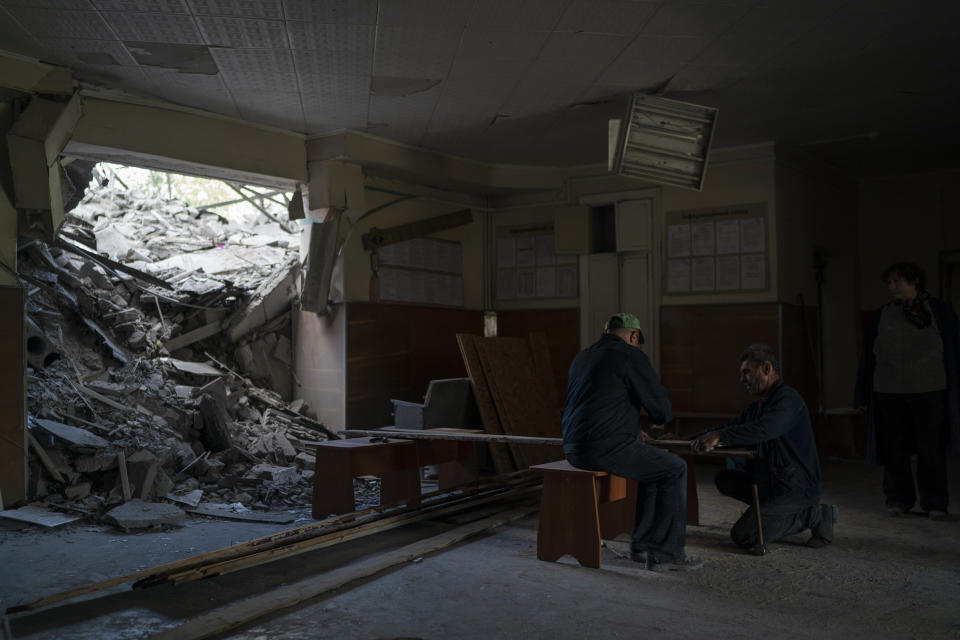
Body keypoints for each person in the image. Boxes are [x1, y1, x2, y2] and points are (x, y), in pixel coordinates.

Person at [562, 312, 702, 571]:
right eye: (637, 340)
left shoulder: (583, 357)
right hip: (604, 447)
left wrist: (631, 428)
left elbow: (598, 404)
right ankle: (666, 555)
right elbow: (661, 411)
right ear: (633, 335)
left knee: (652, 469)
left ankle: (639, 547)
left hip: (572, 447)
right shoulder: (629, 354)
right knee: (674, 468)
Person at [691, 344, 838, 549]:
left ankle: (814, 515)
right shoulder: (759, 406)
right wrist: (684, 439)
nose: (742, 380)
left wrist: (720, 436)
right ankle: (772, 512)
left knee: (745, 535)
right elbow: (729, 427)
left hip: (796, 489)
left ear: (767, 369)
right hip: (772, 482)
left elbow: (764, 429)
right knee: (724, 479)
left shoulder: (788, 400)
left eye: (747, 373)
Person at [854, 262, 958, 520]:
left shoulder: (938, 311)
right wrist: (863, 392)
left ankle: (935, 503)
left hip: (930, 389)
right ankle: (898, 499)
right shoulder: (882, 314)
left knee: (930, 448)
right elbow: (868, 356)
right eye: (889, 283)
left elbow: (953, 350)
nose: (892, 287)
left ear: (914, 282)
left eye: (897, 281)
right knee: (894, 448)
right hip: (889, 391)